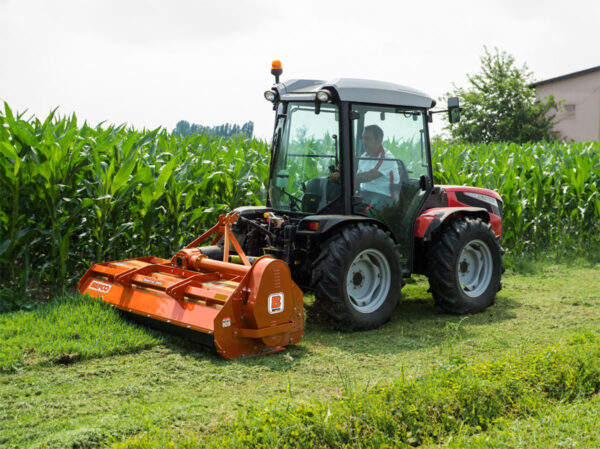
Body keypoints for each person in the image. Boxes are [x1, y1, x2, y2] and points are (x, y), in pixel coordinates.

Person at [355, 125, 400, 210]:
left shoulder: (386, 157)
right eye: (363, 138)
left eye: (367, 139)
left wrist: (343, 176)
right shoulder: (364, 156)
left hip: (385, 196)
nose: (364, 142)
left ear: (379, 140)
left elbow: (367, 177)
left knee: (361, 213)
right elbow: (358, 178)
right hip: (365, 193)